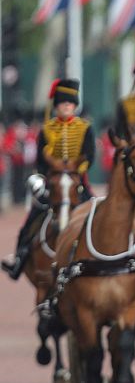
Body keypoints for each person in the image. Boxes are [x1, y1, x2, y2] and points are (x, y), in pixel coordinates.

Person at [3, 79, 95, 279]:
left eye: (70, 104)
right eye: (63, 104)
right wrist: (49, 175)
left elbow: (89, 156)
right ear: (57, 106)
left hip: (77, 181)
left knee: (96, 215)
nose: (66, 107)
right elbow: (40, 160)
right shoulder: (46, 130)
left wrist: (76, 171)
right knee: (32, 220)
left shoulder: (84, 129)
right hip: (53, 182)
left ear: (75, 105)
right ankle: (19, 257)